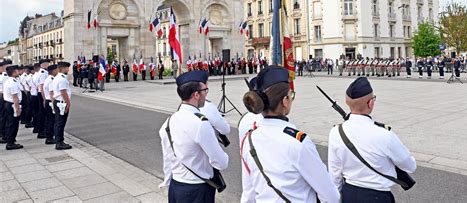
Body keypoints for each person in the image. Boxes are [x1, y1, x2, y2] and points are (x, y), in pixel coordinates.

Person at [240, 66, 340, 203]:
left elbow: (249, 194)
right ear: (285, 101)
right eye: (291, 95)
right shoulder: (298, 142)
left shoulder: (248, 140)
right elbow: (330, 197)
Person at [328, 77, 416, 202]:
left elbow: (334, 173)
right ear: (370, 103)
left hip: (349, 194)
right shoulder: (385, 135)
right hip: (377, 197)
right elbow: (410, 166)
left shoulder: (336, 132)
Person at [159, 70, 229, 203]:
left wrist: (167, 181)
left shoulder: (168, 122)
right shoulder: (200, 124)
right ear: (196, 95)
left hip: (176, 186)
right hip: (197, 189)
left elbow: (167, 158)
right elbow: (221, 162)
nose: (206, 94)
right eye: (205, 90)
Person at [52, 61, 73, 150]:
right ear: (61, 68)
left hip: (58, 101)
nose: (68, 69)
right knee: (60, 122)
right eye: (66, 68)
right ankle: (59, 142)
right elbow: (63, 92)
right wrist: (68, 103)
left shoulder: (57, 77)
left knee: (59, 122)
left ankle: (59, 140)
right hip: (61, 102)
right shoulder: (62, 79)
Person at [3, 65, 23, 150]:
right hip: (12, 105)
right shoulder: (12, 82)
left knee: (11, 123)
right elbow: (15, 96)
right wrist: (17, 108)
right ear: (14, 72)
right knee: (13, 124)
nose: (18, 72)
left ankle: (11, 140)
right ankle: (10, 143)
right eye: (17, 71)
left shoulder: (10, 81)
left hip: (9, 104)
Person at [42, 64, 58, 145]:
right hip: (51, 102)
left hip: (48, 101)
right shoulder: (51, 80)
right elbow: (52, 93)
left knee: (49, 120)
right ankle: (50, 138)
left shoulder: (48, 79)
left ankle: (50, 137)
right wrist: (54, 104)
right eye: (57, 69)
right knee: (52, 121)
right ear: (54, 71)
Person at [0, 60, 13, 143]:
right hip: (3, 97)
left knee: (5, 117)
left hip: (5, 97)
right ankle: (3, 134)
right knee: (4, 117)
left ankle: (5, 134)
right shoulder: (4, 77)